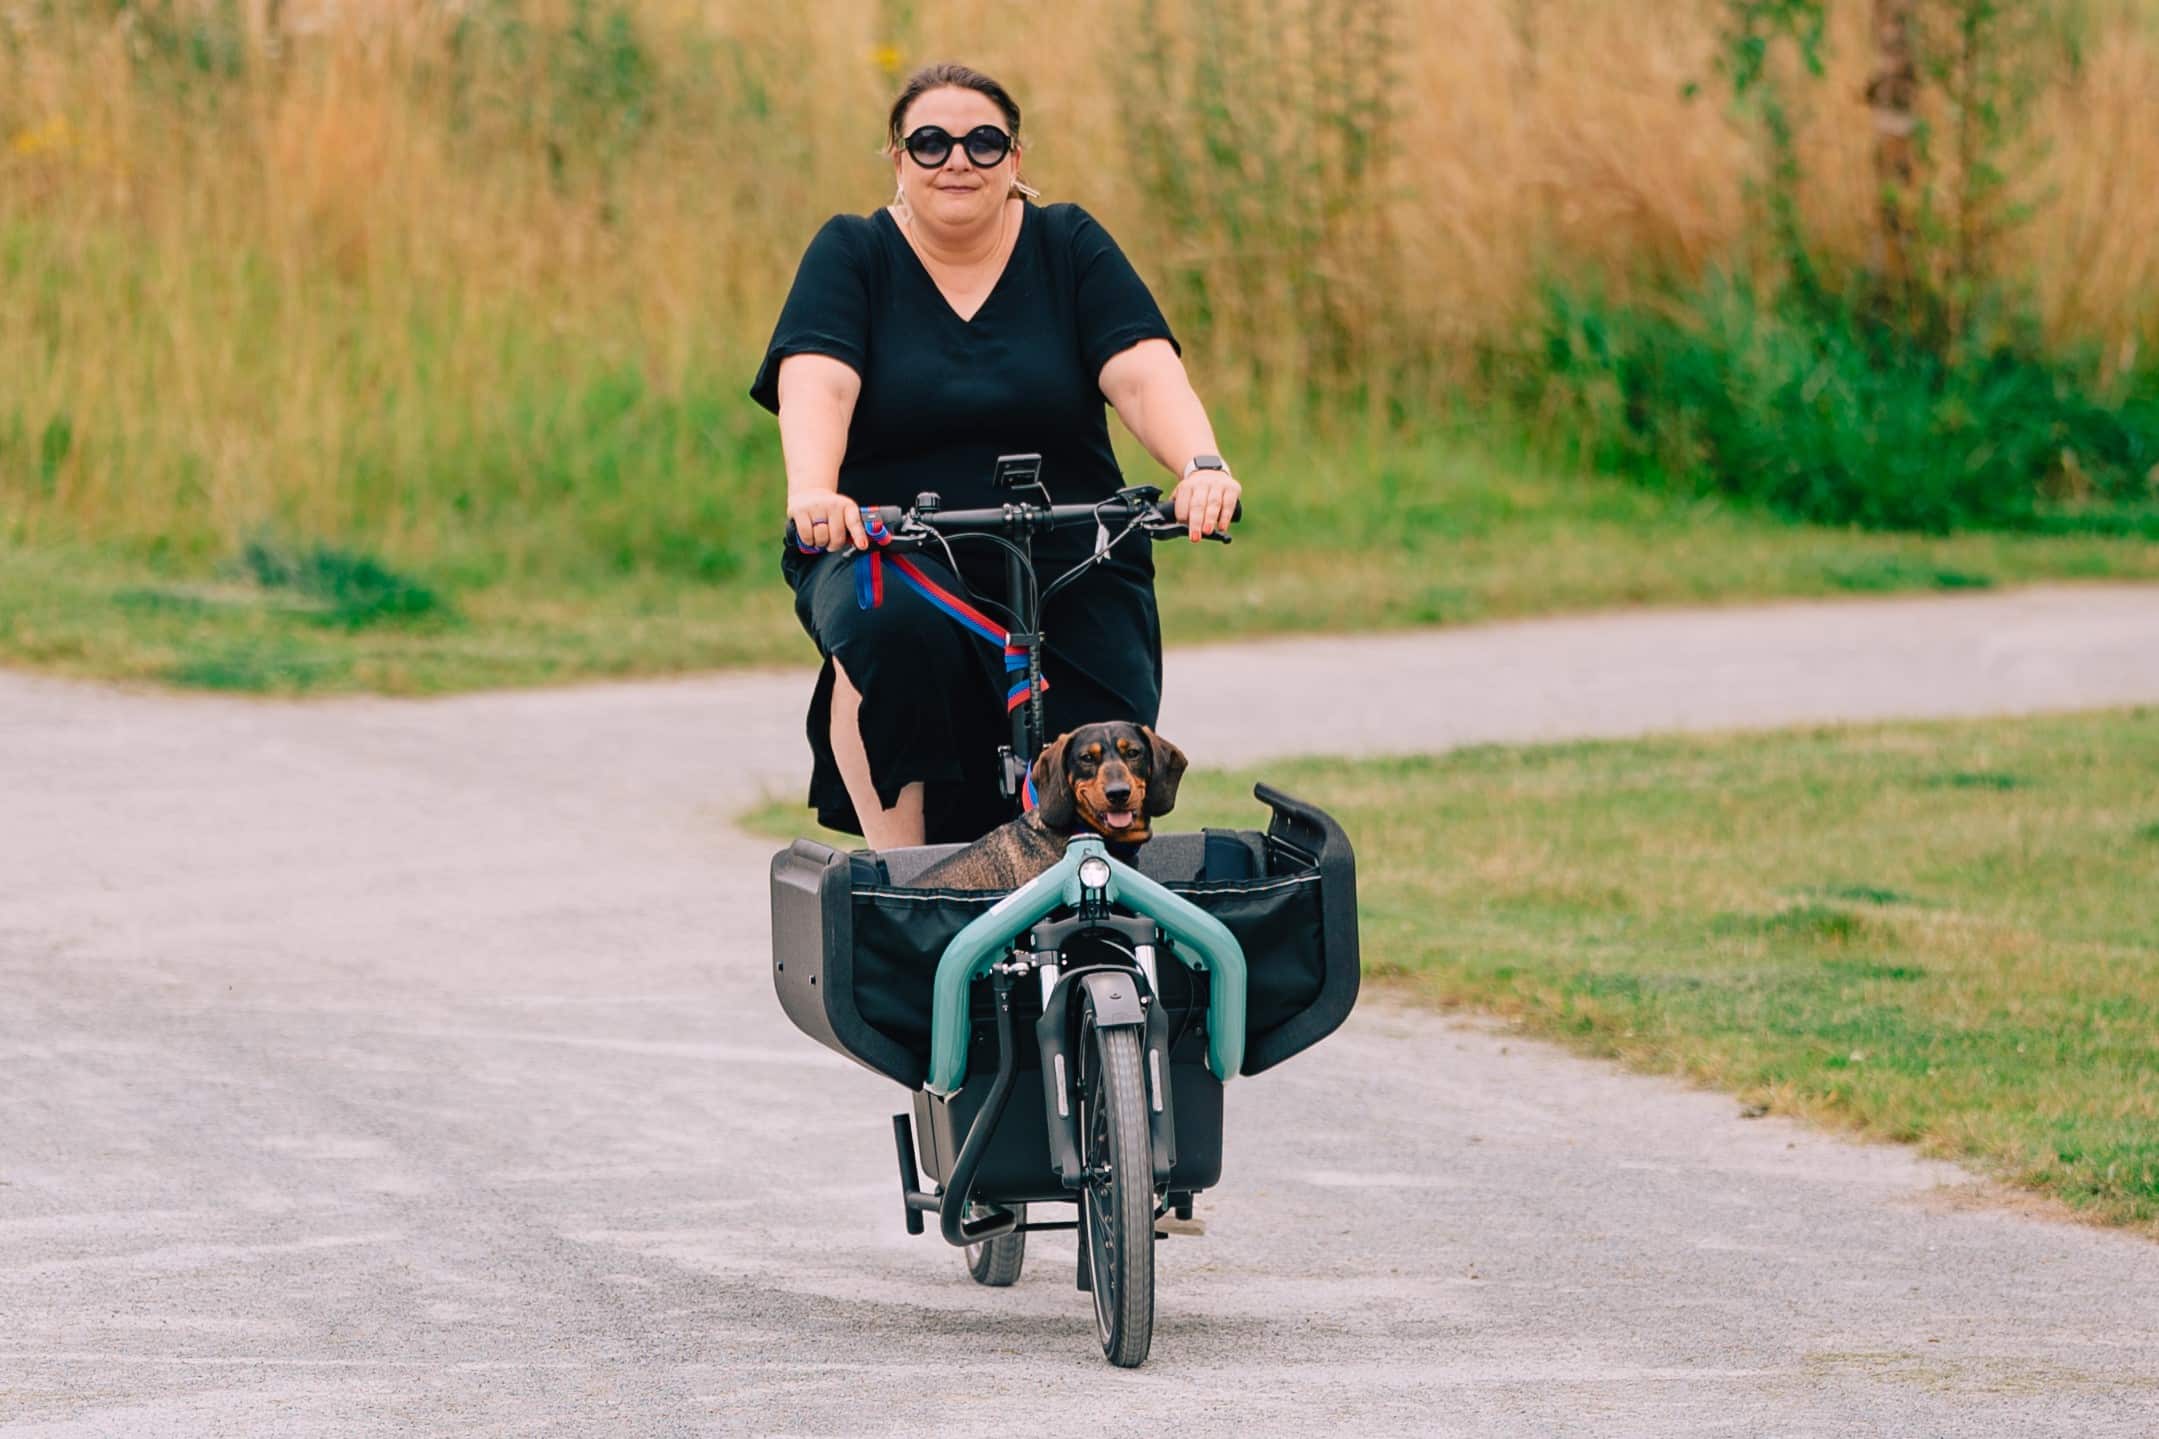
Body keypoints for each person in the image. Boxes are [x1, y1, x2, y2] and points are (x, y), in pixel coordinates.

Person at [751, 62, 1240, 851]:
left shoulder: (1067, 243)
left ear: (1014, 159)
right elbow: (818, 383)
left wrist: (1202, 465)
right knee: (892, 629)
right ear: (896, 157)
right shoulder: (852, 253)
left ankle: (1095, 897)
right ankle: (908, 881)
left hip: (1070, 535)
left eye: (983, 142)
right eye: (931, 142)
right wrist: (814, 492)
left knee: (1105, 724)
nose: (957, 160)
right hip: (889, 542)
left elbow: (1144, 374)